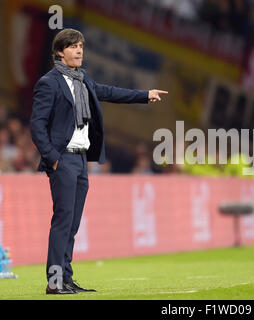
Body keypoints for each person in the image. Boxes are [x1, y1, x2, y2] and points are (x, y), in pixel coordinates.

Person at [30, 29, 168, 294]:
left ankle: (66, 278)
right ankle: (54, 281)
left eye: (81, 45)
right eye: (73, 46)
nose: (79, 50)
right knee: (63, 220)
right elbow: (37, 125)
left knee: (72, 223)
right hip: (64, 160)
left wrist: (144, 94)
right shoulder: (49, 82)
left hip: (82, 161)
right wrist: (53, 159)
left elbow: (109, 91)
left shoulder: (83, 79)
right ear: (60, 52)